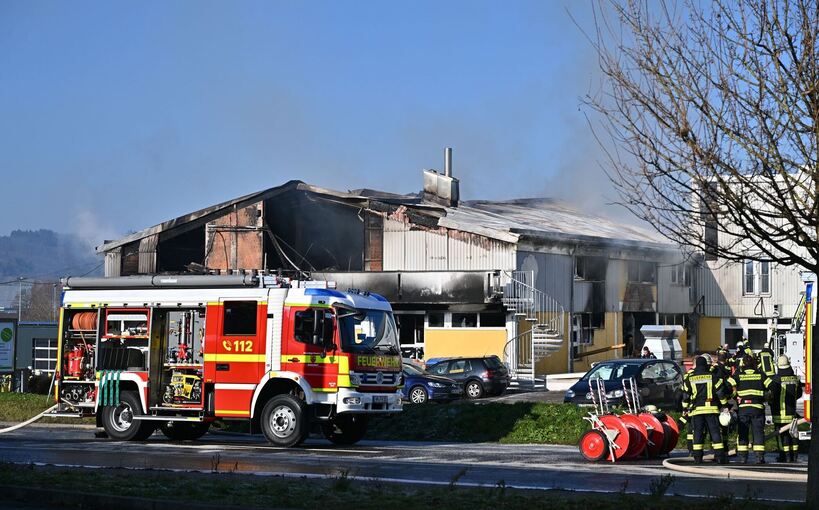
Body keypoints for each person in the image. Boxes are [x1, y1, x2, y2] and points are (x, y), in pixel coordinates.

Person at [681, 355, 728, 464]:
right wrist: (725, 406)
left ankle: (697, 458)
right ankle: (720, 457)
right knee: (715, 433)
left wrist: (684, 408)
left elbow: (685, 396)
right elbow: (720, 393)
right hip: (712, 409)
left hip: (697, 411)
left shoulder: (690, 378)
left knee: (697, 433)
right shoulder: (712, 377)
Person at [728, 354, 772, 464]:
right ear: (754, 363)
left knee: (743, 432)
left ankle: (743, 458)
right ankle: (759, 457)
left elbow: (727, 385)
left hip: (743, 408)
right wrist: (767, 396)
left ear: (743, 364)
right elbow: (773, 386)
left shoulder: (738, 375)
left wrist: (734, 396)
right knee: (758, 432)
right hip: (757, 408)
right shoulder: (760, 374)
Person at [769, 355, 802, 462]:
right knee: (793, 434)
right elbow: (799, 394)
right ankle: (794, 456)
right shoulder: (795, 378)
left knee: (782, 435)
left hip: (779, 412)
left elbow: (772, 395)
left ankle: (785, 456)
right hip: (791, 412)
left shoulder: (775, 379)